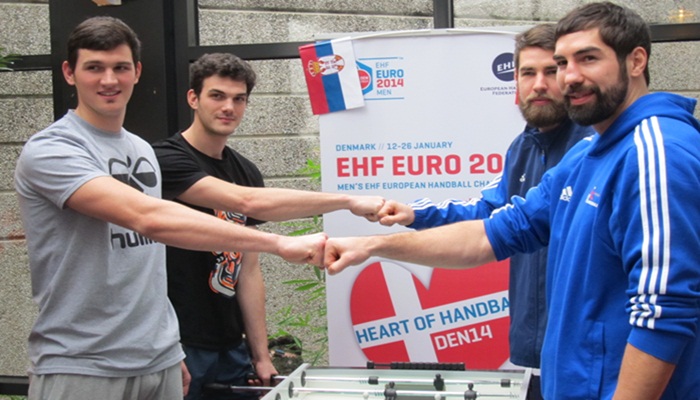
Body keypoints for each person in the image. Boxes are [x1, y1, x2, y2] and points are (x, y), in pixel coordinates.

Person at [324, 2, 700, 399]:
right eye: (563, 63)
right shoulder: (586, 155)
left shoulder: (655, 150)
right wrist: (371, 245)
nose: (570, 77)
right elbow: (493, 233)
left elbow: (664, 311)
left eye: (588, 59)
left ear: (636, 61)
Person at [14, 16, 328, 400]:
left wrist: (167, 349)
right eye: (94, 67)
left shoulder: (140, 150)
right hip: (84, 362)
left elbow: (149, 265)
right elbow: (149, 218)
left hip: (159, 359)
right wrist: (282, 242)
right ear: (69, 72)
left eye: (120, 67)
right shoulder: (52, 150)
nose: (109, 80)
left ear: (137, 72)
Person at [376, 23, 593, 400]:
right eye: (528, 73)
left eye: (550, 71)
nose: (539, 84)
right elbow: (488, 210)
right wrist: (414, 214)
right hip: (535, 349)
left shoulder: (593, 147)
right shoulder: (523, 147)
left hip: (585, 353)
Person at [151, 52, 384, 400]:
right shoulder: (164, 159)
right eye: (217, 96)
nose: (228, 107)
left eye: (239, 99)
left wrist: (260, 354)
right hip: (179, 344)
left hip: (231, 346)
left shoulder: (245, 171)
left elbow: (248, 269)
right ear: (193, 98)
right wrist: (347, 201)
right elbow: (246, 202)